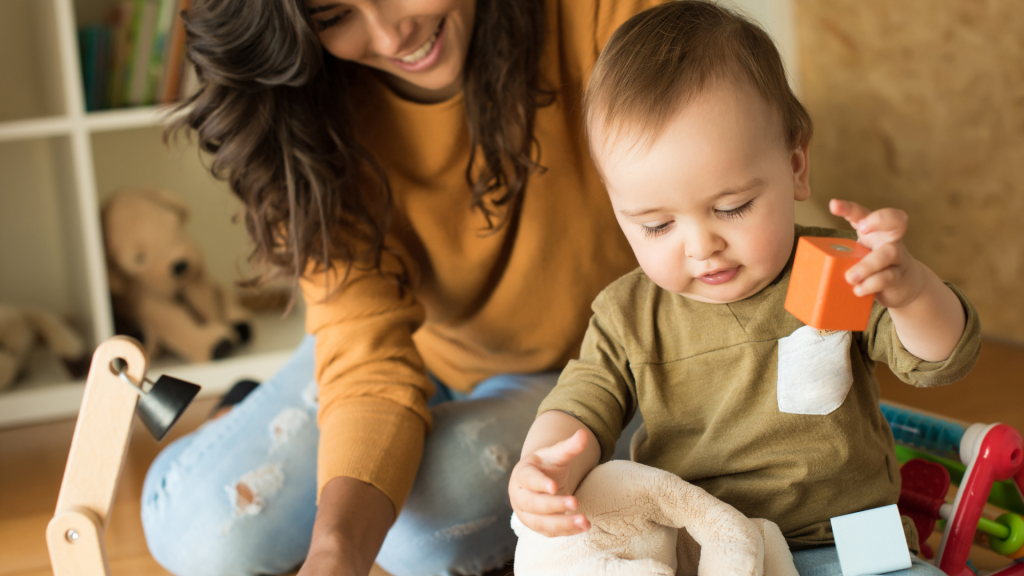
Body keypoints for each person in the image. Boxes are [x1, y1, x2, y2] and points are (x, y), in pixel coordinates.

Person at [139, 0, 661, 575]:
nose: (391, 35)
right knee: (196, 532)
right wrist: (335, 554)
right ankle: (251, 409)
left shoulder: (607, 14)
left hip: (593, 368)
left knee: (419, 537)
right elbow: (372, 364)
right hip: (407, 349)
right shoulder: (305, 110)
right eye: (335, 15)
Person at [507, 2, 981, 575]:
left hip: (848, 536)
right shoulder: (626, 314)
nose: (701, 246)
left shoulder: (838, 266)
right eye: (656, 225)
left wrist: (910, 292)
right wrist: (543, 464)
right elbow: (580, 405)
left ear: (796, 163)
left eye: (732, 208)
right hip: (704, 544)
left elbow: (940, 360)